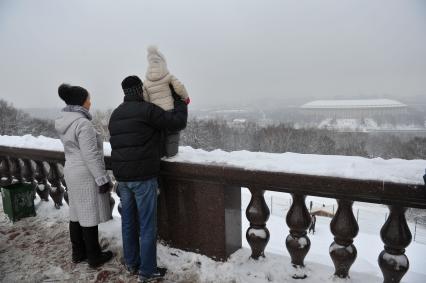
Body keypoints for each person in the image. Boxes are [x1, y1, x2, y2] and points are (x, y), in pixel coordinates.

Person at [108, 75, 187, 282]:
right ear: (141, 90)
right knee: (147, 224)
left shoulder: (116, 114)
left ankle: (132, 263)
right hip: (143, 177)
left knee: (128, 222)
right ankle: (147, 270)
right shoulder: (147, 111)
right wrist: (179, 101)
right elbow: (178, 122)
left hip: (122, 179)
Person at [55, 83, 113, 268]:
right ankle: (94, 256)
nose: (90, 101)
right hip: (85, 172)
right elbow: (90, 155)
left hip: (71, 169)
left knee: (76, 213)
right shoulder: (83, 123)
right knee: (88, 214)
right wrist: (102, 178)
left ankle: (78, 252)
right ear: (81, 102)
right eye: (88, 98)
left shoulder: (65, 122)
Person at [143, 46, 190, 157]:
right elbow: (180, 88)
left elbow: (145, 99)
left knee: (158, 136)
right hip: (169, 110)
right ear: (163, 63)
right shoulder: (168, 76)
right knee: (172, 133)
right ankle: (171, 154)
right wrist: (186, 98)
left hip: (155, 114)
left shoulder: (146, 81)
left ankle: (161, 155)